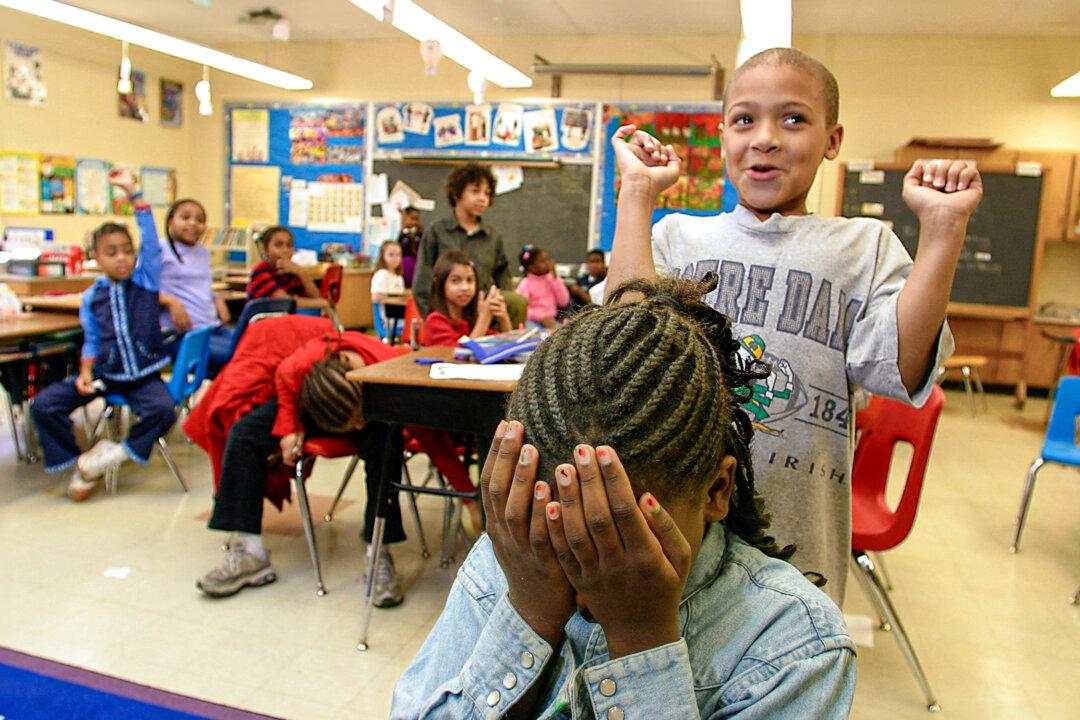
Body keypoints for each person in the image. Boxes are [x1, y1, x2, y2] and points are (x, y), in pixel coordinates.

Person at [605, 47, 982, 603]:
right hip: (671, 527)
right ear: (725, 134)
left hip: (799, 534)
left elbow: (899, 369)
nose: (764, 138)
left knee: (790, 674)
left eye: (793, 119)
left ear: (833, 139)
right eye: (744, 120)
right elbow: (622, 344)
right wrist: (636, 192)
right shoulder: (676, 237)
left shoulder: (864, 246)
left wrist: (944, 230)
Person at [392, 276, 855, 718]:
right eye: (558, 531)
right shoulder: (513, 557)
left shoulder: (796, 647)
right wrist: (528, 613)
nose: (588, 568)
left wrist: (643, 639)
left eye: (619, 533)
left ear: (716, 490)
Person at [185, 315, 408, 606]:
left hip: (373, 407)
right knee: (244, 434)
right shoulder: (307, 361)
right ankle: (251, 552)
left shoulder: (385, 363)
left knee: (386, 440)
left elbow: (421, 430)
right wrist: (290, 427)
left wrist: (465, 494)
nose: (354, 430)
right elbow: (284, 376)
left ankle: (378, 551)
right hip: (317, 396)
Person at [31, 170, 176, 501]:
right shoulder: (91, 296)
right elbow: (92, 340)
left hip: (142, 375)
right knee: (44, 404)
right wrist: (84, 373)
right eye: (112, 252)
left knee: (164, 409)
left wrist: (132, 193)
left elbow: (151, 242)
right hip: (105, 375)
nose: (122, 258)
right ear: (95, 256)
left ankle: (113, 454)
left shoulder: (145, 281)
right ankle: (78, 464)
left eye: (127, 250)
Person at [412, 163, 526, 327]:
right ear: (457, 193)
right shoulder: (437, 232)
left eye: (487, 194)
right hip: (448, 314)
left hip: (483, 313)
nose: (482, 198)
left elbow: (503, 279)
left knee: (517, 301)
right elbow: (422, 285)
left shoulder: (493, 237)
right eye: (475, 191)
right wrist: (436, 322)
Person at [157, 197, 233, 374]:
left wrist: (217, 298)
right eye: (185, 217)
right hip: (181, 335)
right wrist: (170, 302)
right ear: (170, 222)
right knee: (236, 358)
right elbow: (138, 291)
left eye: (200, 220)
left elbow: (200, 285)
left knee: (255, 348)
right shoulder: (160, 249)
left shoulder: (203, 252)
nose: (193, 223)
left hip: (212, 327)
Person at [424, 249, 512, 346]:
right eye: (455, 281)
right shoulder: (435, 320)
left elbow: (507, 345)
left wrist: (503, 318)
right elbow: (459, 355)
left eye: (470, 280)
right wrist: (485, 317)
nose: (465, 288)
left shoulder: (469, 319)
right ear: (438, 283)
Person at [246, 225, 321, 301]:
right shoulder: (261, 270)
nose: (285, 250)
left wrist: (302, 272)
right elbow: (285, 302)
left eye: (289, 245)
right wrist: (322, 303)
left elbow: (316, 297)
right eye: (278, 245)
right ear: (265, 250)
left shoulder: (291, 272)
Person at [515, 244, 570, 331]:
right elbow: (521, 310)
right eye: (543, 261)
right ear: (531, 267)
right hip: (532, 321)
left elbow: (563, 302)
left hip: (551, 321)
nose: (548, 263)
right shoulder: (525, 284)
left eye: (547, 260)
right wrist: (541, 316)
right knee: (535, 336)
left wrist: (555, 279)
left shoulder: (551, 280)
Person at [398, 205, 423, 288]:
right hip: (404, 266)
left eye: (417, 219)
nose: (415, 222)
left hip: (417, 265)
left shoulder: (420, 234)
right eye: (412, 218)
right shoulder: (401, 235)